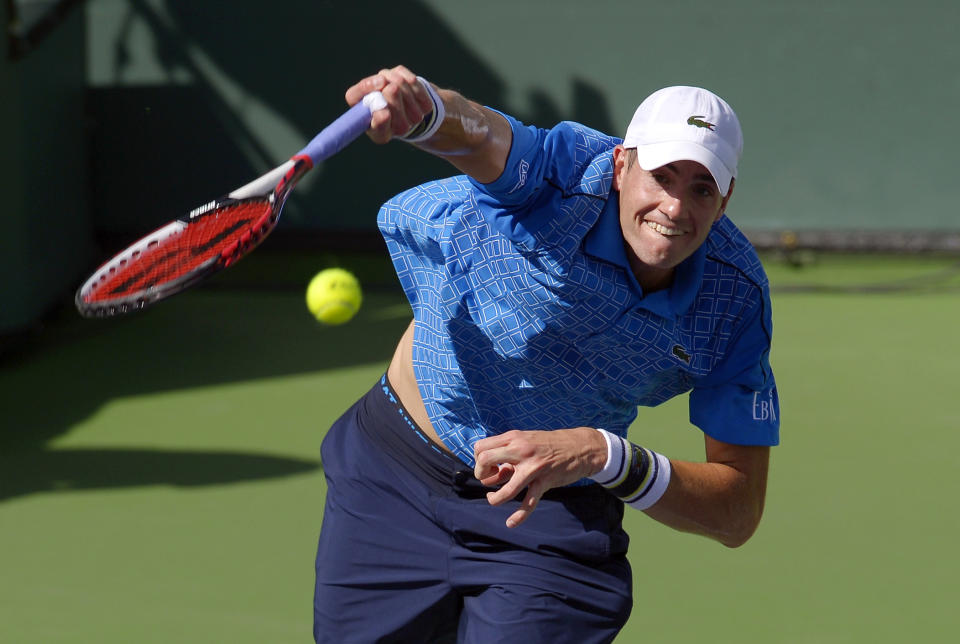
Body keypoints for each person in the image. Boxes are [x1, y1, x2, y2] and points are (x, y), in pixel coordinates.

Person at [313, 65, 779, 643]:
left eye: (702, 188)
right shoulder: (565, 172)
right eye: (662, 176)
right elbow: (483, 134)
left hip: (547, 516)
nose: (675, 207)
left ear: (725, 198)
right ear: (620, 165)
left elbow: (736, 511)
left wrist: (607, 456)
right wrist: (427, 109)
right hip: (393, 476)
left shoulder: (733, 303)